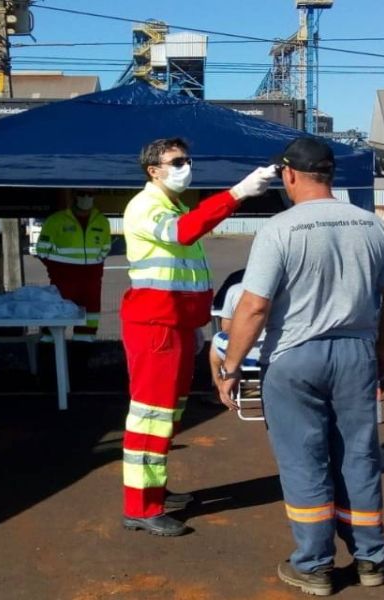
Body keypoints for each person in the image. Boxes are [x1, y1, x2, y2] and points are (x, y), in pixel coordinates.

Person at [218, 137, 384, 595]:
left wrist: (231, 365)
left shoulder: (279, 229)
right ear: (330, 174)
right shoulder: (372, 226)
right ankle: (370, 558)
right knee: (358, 456)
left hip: (294, 357)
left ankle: (315, 565)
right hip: (356, 353)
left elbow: (254, 306)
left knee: (304, 460)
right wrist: (383, 349)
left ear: (288, 175)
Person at [120, 137, 277, 536]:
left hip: (173, 326)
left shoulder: (170, 205)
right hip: (156, 327)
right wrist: (238, 193)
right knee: (151, 416)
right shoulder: (146, 206)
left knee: (166, 415)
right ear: (153, 170)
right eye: (176, 162)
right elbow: (184, 233)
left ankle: (153, 491)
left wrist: (193, 326)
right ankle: (141, 507)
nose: (185, 167)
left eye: (187, 160)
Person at [34, 191, 112, 341]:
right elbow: (42, 249)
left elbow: (105, 248)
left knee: (90, 317)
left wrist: (93, 267)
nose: (86, 198)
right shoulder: (56, 220)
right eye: (82, 194)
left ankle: (83, 349)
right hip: (63, 281)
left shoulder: (102, 221)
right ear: (74, 197)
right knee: (55, 318)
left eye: (90, 194)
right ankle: (49, 351)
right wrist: (56, 270)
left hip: (92, 282)